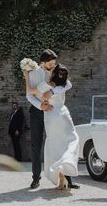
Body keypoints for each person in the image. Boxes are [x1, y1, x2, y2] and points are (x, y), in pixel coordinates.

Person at [24, 62, 80, 190]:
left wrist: (26, 76)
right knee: (69, 141)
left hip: (51, 114)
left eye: (54, 66)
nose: (52, 66)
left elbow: (31, 92)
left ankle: (62, 175)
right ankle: (62, 171)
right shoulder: (63, 83)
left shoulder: (47, 84)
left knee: (54, 146)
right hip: (62, 114)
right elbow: (68, 84)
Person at [26, 49, 58, 189]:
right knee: (36, 145)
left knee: (58, 142)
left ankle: (64, 177)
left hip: (53, 110)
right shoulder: (34, 73)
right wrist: (40, 105)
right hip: (37, 111)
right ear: (43, 63)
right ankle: (36, 178)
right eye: (50, 64)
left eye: (54, 63)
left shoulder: (57, 72)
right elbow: (29, 95)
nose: (53, 66)